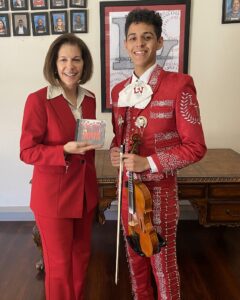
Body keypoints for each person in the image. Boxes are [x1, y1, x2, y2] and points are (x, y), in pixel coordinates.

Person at [110, 9, 206, 300]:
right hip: (127, 192)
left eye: (147, 37)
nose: (140, 44)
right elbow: (121, 138)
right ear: (126, 44)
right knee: (136, 265)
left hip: (160, 194)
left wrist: (148, 162)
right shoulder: (119, 91)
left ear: (160, 42)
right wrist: (117, 151)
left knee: (162, 267)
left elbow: (195, 147)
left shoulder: (179, 84)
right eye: (133, 38)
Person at [20, 33, 101, 300]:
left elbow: (86, 145)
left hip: (84, 193)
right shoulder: (38, 100)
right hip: (53, 197)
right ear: (54, 64)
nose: (70, 66)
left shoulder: (90, 98)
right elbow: (27, 151)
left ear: (84, 63)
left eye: (76, 59)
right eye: (63, 59)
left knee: (82, 258)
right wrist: (62, 151)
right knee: (58, 265)